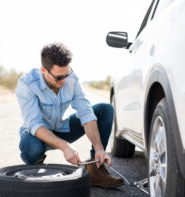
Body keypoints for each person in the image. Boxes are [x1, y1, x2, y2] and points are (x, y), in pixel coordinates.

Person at [15, 42, 124, 188]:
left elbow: (86, 113)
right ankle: (35, 170)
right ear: (44, 70)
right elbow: (35, 125)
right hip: (37, 135)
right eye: (59, 77)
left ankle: (95, 171)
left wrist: (99, 147)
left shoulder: (71, 79)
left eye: (66, 74)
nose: (64, 80)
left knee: (105, 109)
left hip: (61, 128)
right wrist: (65, 147)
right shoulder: (27, 84)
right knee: (32, 147)